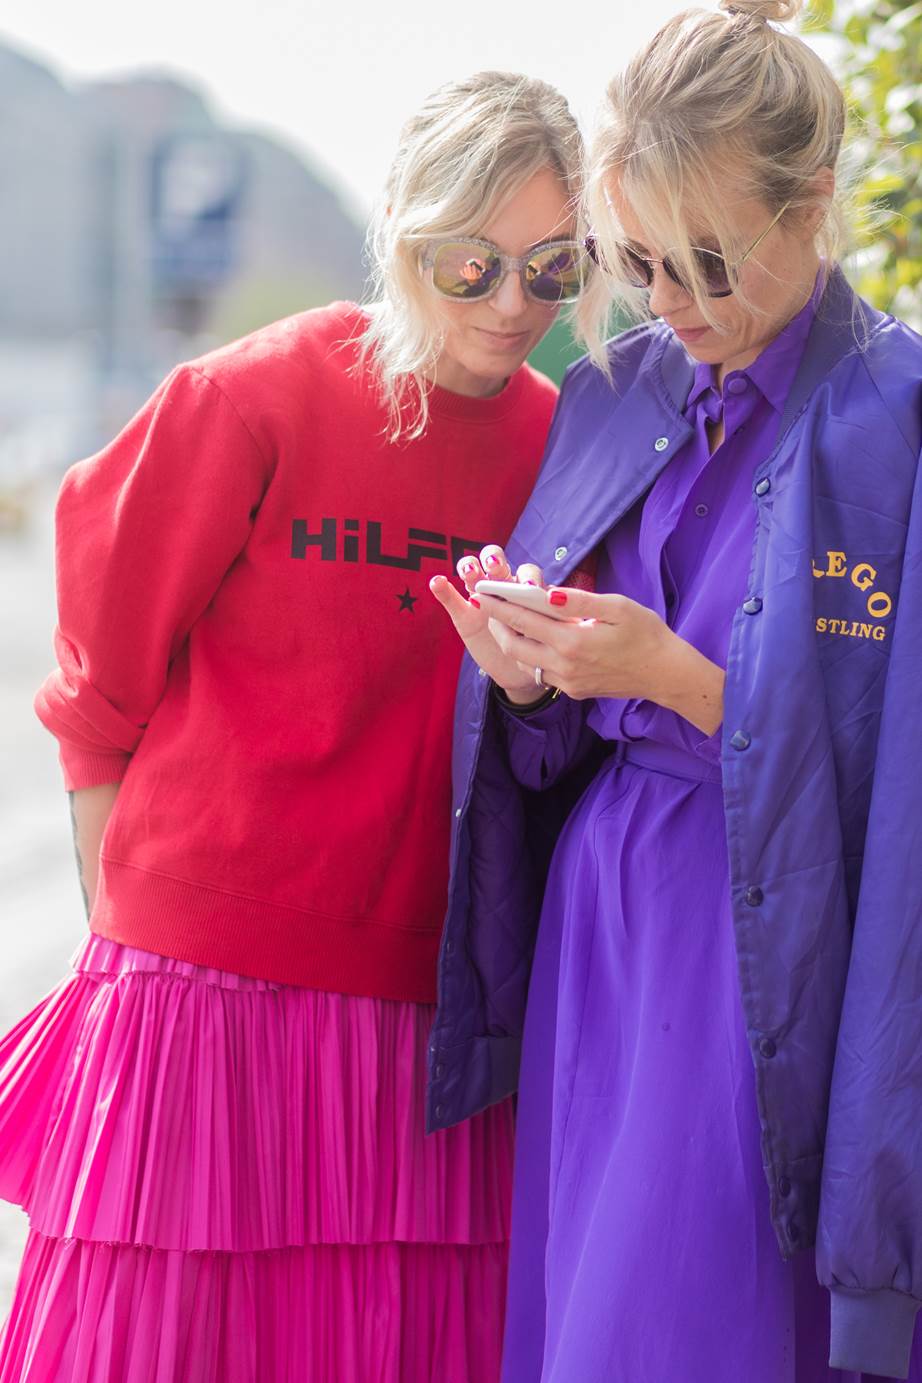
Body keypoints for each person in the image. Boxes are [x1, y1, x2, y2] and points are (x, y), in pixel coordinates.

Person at [0, 71, 592, 1382]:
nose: (510, 306)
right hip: (199, 1000)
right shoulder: (252, 396)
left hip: (427, 1011)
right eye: (470, 264)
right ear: (399, 231)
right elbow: (98, 691)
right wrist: (126, 938)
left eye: (552, 271)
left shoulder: (569, 447)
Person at [429, 5, 922, 1380]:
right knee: (592, 1316)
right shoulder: (614, 388)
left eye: (708, 262)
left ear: (811, 206)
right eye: (638, 261)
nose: (673, 304)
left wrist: (684, 683)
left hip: (768, 951)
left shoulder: (895, 421)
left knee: (692, 1327)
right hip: (603, 935)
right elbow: (548, 754)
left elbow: (901, 785)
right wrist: (529, 675)